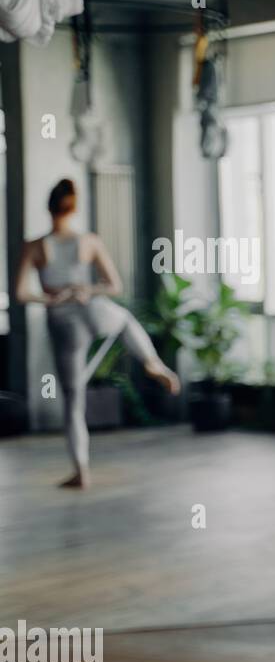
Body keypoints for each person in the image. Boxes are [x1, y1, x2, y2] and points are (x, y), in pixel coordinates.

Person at [14, 178, 180, 489]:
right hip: (93, 309)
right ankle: (152, 361)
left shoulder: (35, 246)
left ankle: (81, 472)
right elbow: (114, 286)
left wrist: (49, 298)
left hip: (63, 320)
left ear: (48, 208)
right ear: (74, 207)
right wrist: (88, 289)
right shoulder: (88, 241)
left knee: (74, 399)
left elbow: (21, 293)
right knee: (126, 320)